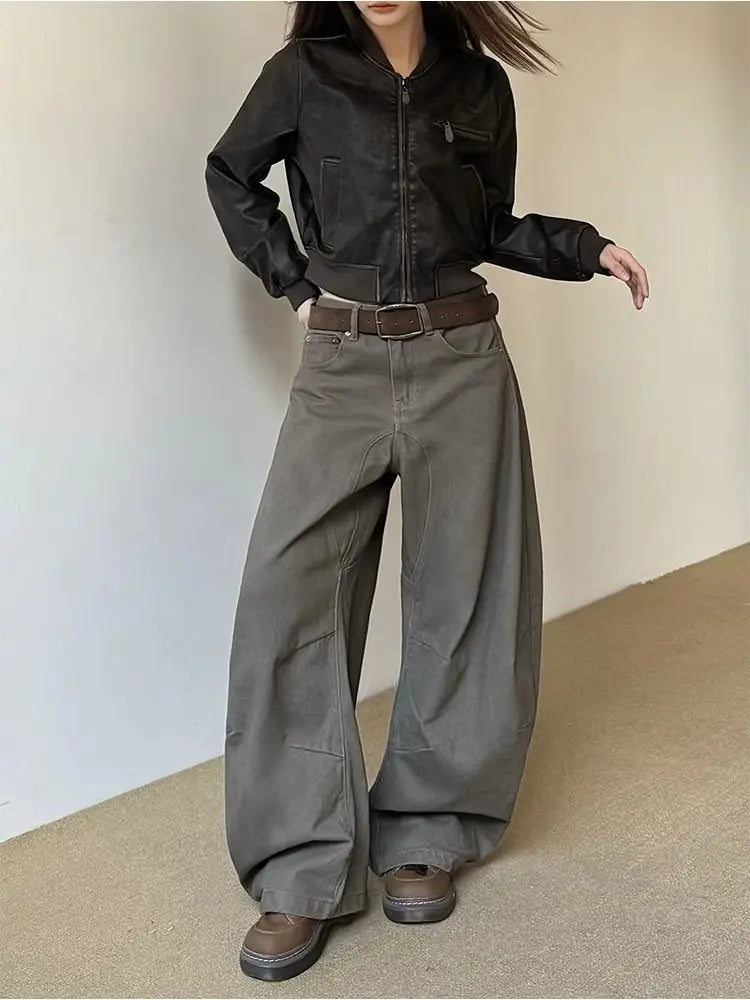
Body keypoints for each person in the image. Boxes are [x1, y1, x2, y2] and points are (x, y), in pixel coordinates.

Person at [205, 0, 649, 982]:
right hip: (342, 364)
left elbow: (487, 226)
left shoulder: (478, 83)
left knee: (463, 594)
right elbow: (230, 173)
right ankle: (299, 864)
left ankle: (428, 826)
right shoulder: (303, 74)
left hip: (462, 359)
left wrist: (584, 248)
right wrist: (295, 286)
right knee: (290, 599)